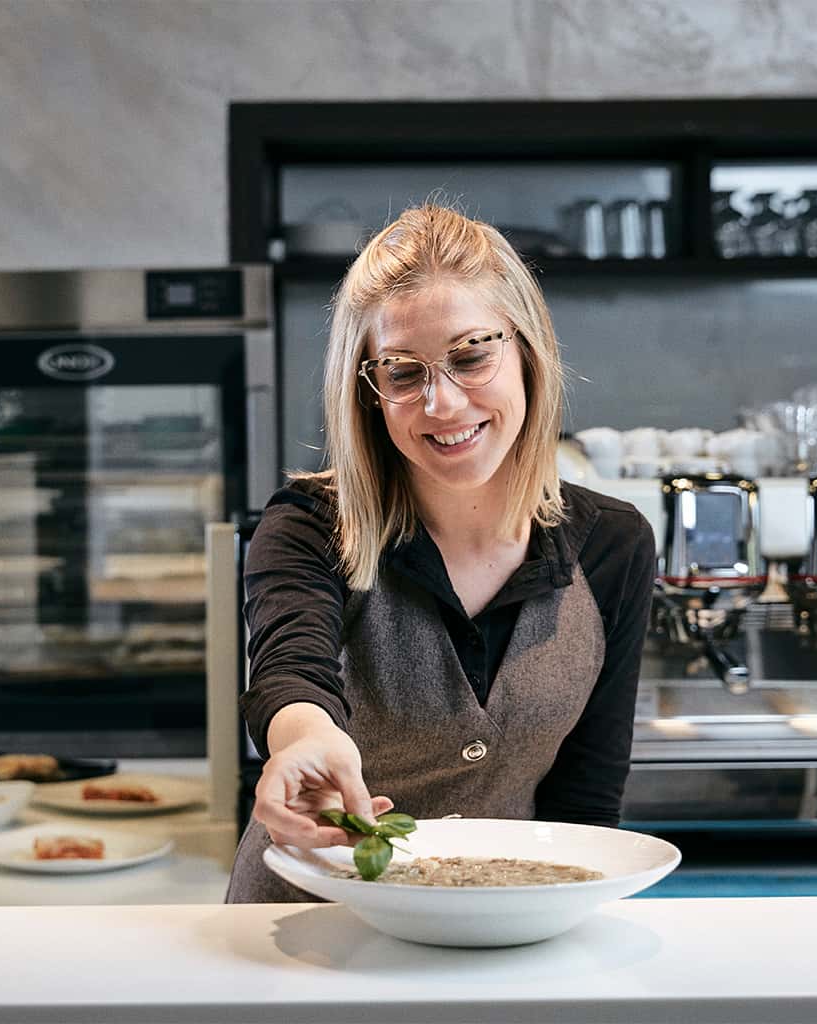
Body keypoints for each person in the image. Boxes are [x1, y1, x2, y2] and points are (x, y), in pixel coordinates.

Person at [225, 203, 655, 903]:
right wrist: (301, 739)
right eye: (402, 371)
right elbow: (290, 668)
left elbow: (587, 800)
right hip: (315, 925)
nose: (443, 403)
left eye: (471, 355)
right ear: (368, 391)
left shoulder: (614, 542)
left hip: (506, 926)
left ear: (526, 348)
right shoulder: (310, 525)